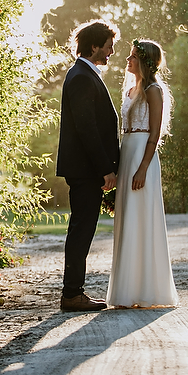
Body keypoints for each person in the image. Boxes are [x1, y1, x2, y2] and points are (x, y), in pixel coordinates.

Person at [106, 38, 178, 309]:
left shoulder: (153, 90)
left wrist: (143, 168)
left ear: (145, 61)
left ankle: (148, 289)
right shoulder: (131, 90)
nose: (127, 60)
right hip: (127, 155)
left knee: (143, 219)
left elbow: (156, 133)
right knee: (127, 220)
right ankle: (127, 290)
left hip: (142, 158)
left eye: (132, 56)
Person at [56, 20, 120, 312]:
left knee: (83, 228)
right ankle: (72, 293)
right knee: (82, 229)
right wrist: (105, 168)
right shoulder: (81, 76)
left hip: (84, 169)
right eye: (108, 46)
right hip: (85, 170)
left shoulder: (85, 73)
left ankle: (74, 291)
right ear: (94, 45)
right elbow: (87, 128)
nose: (111, 52)